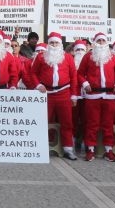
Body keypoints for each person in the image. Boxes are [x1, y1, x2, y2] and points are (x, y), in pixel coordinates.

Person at [29, 32, 79, 160]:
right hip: (47, 94)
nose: (54, 45)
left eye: (56, 42)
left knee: (67, 122)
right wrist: (38, 85)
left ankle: (68, 148)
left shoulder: (67, 57)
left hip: (64, 93)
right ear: (48, 44)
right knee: (43, 121)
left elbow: (73, 76)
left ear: (60, 44)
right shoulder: (41, 57)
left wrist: (74, 95)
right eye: (52, 43)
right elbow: (33, 73)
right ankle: (41, 146)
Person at [77, 32, 115, 162]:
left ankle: (109, 150)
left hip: (109, 96)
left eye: (103, 41)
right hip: (93, 95)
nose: (101, 43)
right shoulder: (88, 57)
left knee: (108, 124)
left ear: (107, 43)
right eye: (99, 41)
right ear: (95, 43)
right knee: (92, 124)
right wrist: (85, 83)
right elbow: (80, 73)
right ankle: (90, 149)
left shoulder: (113, 58)